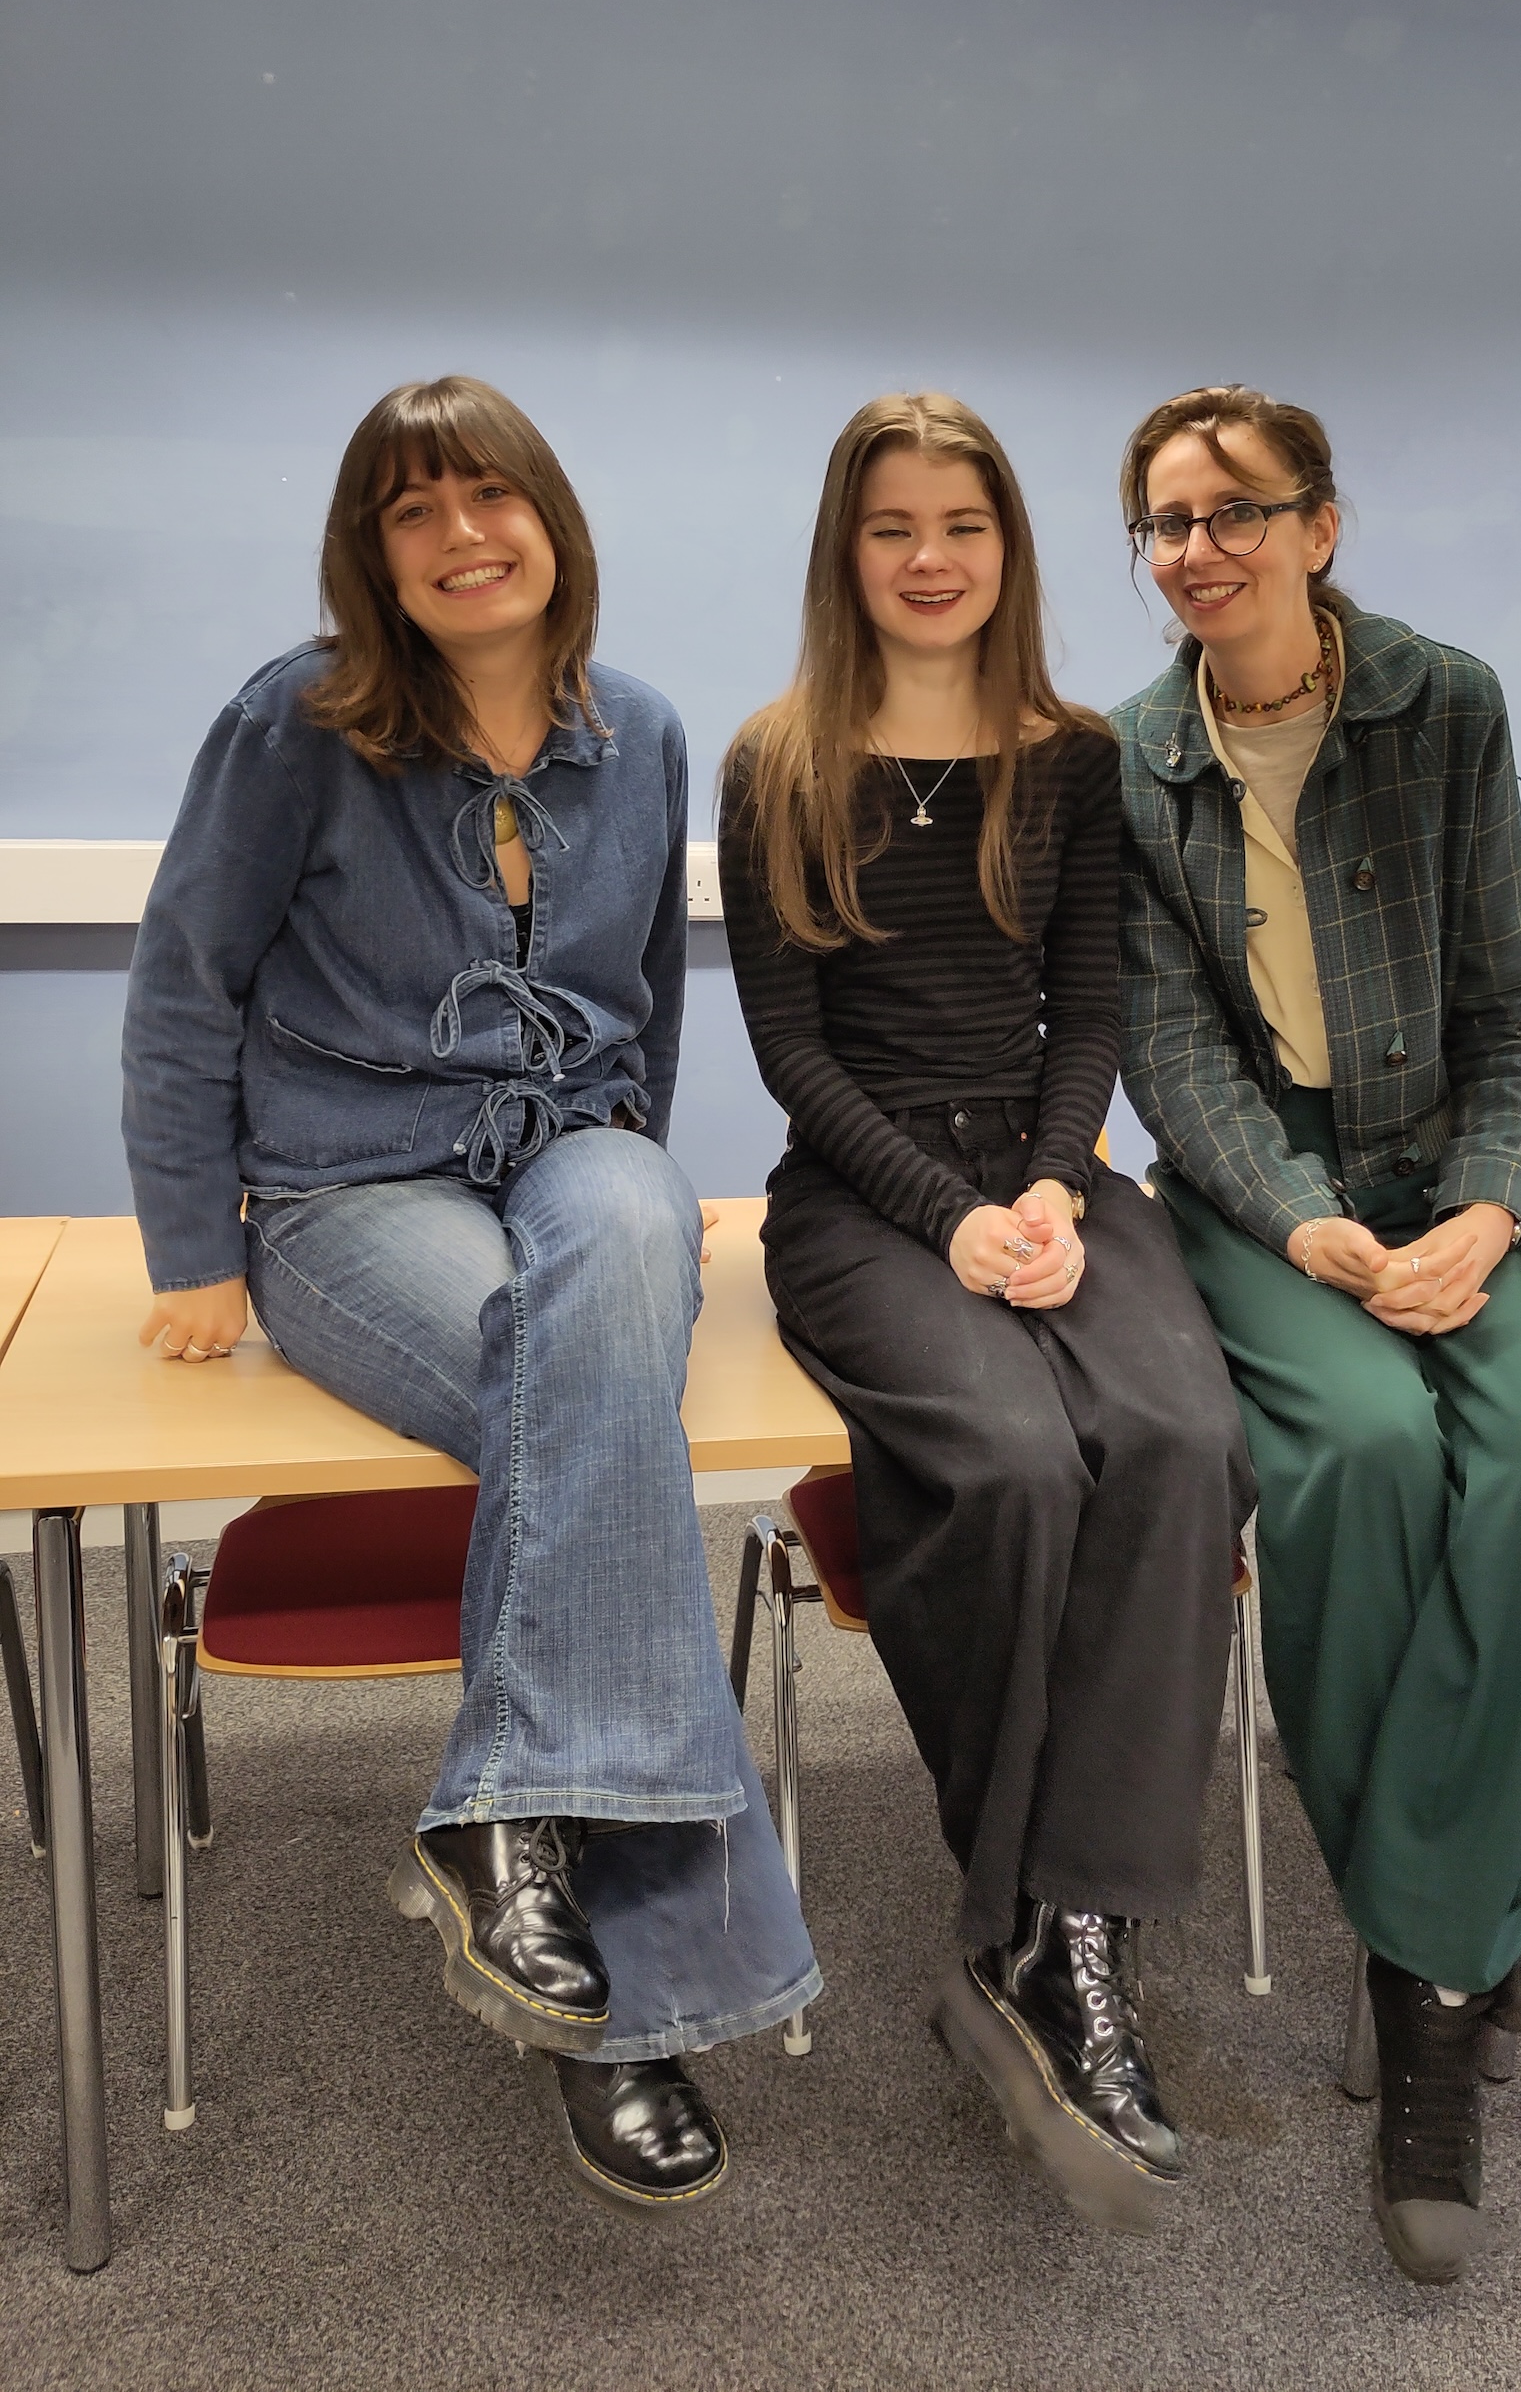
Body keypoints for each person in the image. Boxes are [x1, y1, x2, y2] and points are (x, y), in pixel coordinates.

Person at [121, 374, 819, 2217]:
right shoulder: (296, 724)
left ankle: (512, 1824)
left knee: (606, 1292)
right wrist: (192, 1245)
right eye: (412, 511)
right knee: (585, 1398)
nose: (459, 537)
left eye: (486, 498)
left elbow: (652, 997)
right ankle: (625, 2004)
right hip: (352, 1185)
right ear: (372, 551)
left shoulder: (644, 730)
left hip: (579, 1145)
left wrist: (643, 1209)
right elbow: (188, 980)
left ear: (552, 521)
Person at [718, 392, 1252, 2233]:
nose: (930, 557)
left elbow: (1087, 1002)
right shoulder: (775, 760)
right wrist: (951, 1219)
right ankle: (1019, 1917)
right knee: (1016, 1463)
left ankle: (1078, 1929)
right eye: (892, 527)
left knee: (1184, 1435)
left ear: (1010, 548)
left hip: (1041, 1173)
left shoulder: (1074, 757)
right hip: (865, 1201)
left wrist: (1047, 1179)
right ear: (844, 553)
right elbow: (791, 1052)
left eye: (966, 523)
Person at [1111, 384, 1521, 2287]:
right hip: (1268, 1197)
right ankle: (1457, 1987)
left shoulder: (1446, 702)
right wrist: (1310, 1226)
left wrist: (1488, 1204)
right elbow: (1170, 1053)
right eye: (1167, 521)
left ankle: (1424, 1926)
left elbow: (1514, 999)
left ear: (1323, 525)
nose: (1201, 549)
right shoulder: (1129, 758)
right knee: (1364, 1462)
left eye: (1240, 510)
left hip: (1458, 1171)